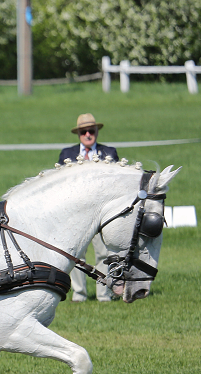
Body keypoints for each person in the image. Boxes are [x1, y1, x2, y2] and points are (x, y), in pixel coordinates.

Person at [59, 113, 119, 301]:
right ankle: (79, 294)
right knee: (77, 256)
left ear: (96, 132)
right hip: (77, 213)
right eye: (83, 131)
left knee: (103, 253)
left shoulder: (109, 153)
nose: (87, 134)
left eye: (91, 131)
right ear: (78, 134)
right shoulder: (67, 155)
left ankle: (104, 295)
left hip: (101, 212)